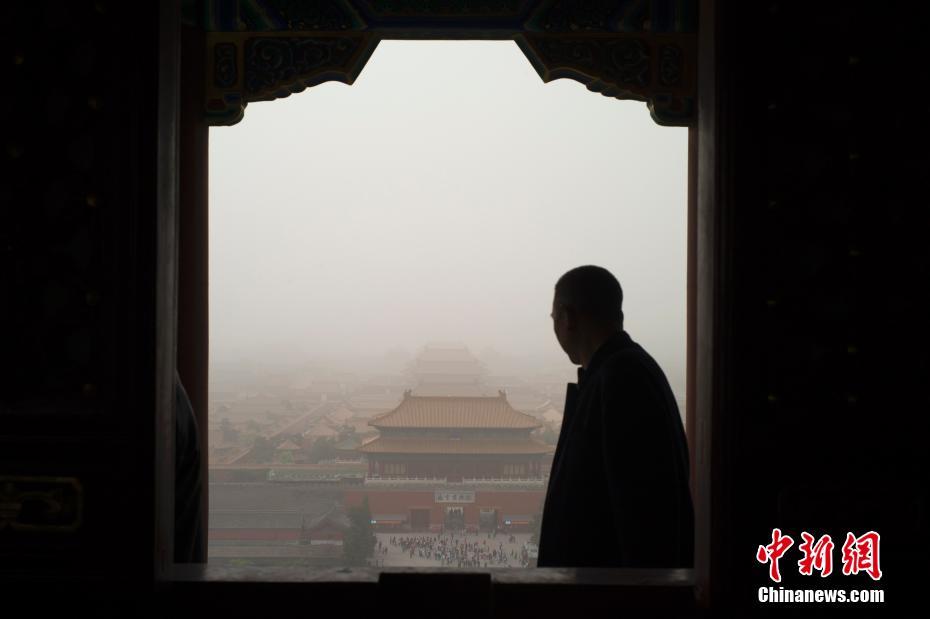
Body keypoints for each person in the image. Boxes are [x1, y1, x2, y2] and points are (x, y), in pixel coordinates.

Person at [536, 265, 694, 568]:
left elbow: (641, 511)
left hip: (612, 597)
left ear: (568, 318)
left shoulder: (622, 379)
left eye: (554, 318)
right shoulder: (623, 370)